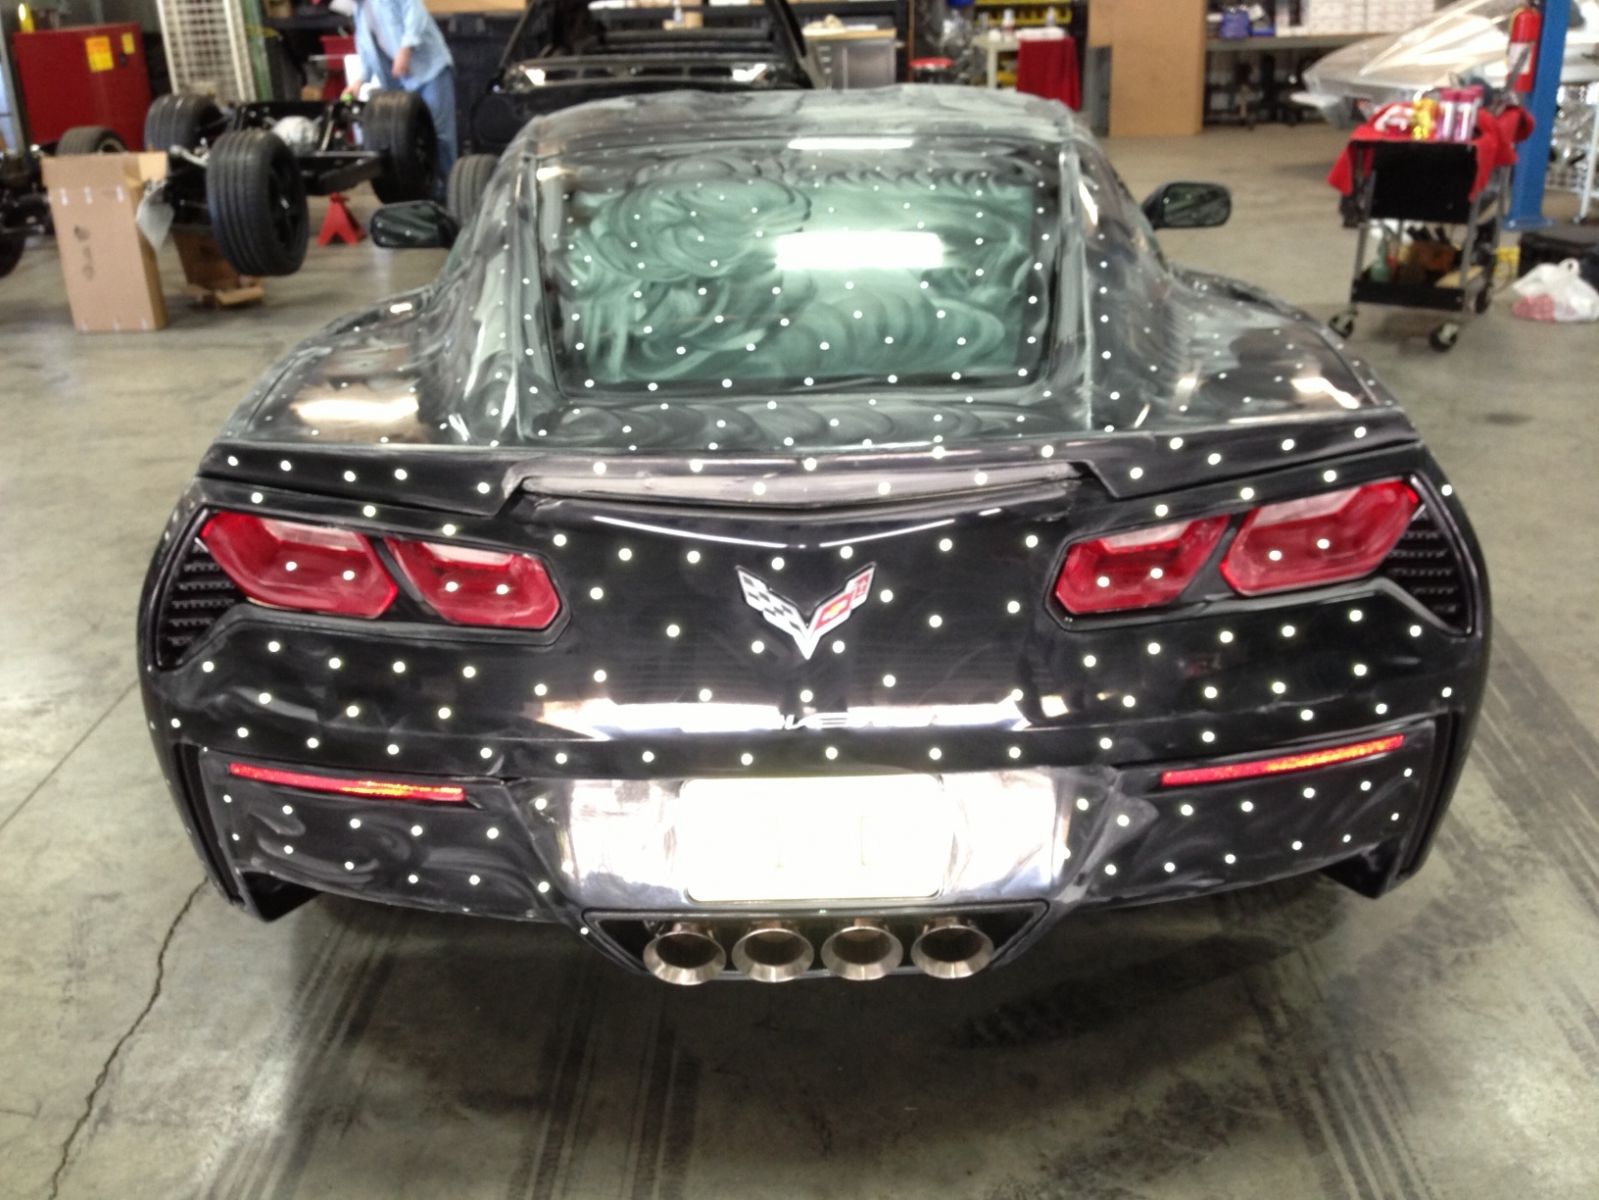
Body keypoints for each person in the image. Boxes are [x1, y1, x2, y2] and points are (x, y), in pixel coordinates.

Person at [350, 0, 457, 189]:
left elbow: (416, 13)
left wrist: (405, 49)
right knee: (412, 137)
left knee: (439, 135)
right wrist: (360, 80)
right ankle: (429, 192)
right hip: (403, 80)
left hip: (429, 71)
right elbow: (367, 48)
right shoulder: (359, 9)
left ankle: (452, 191)